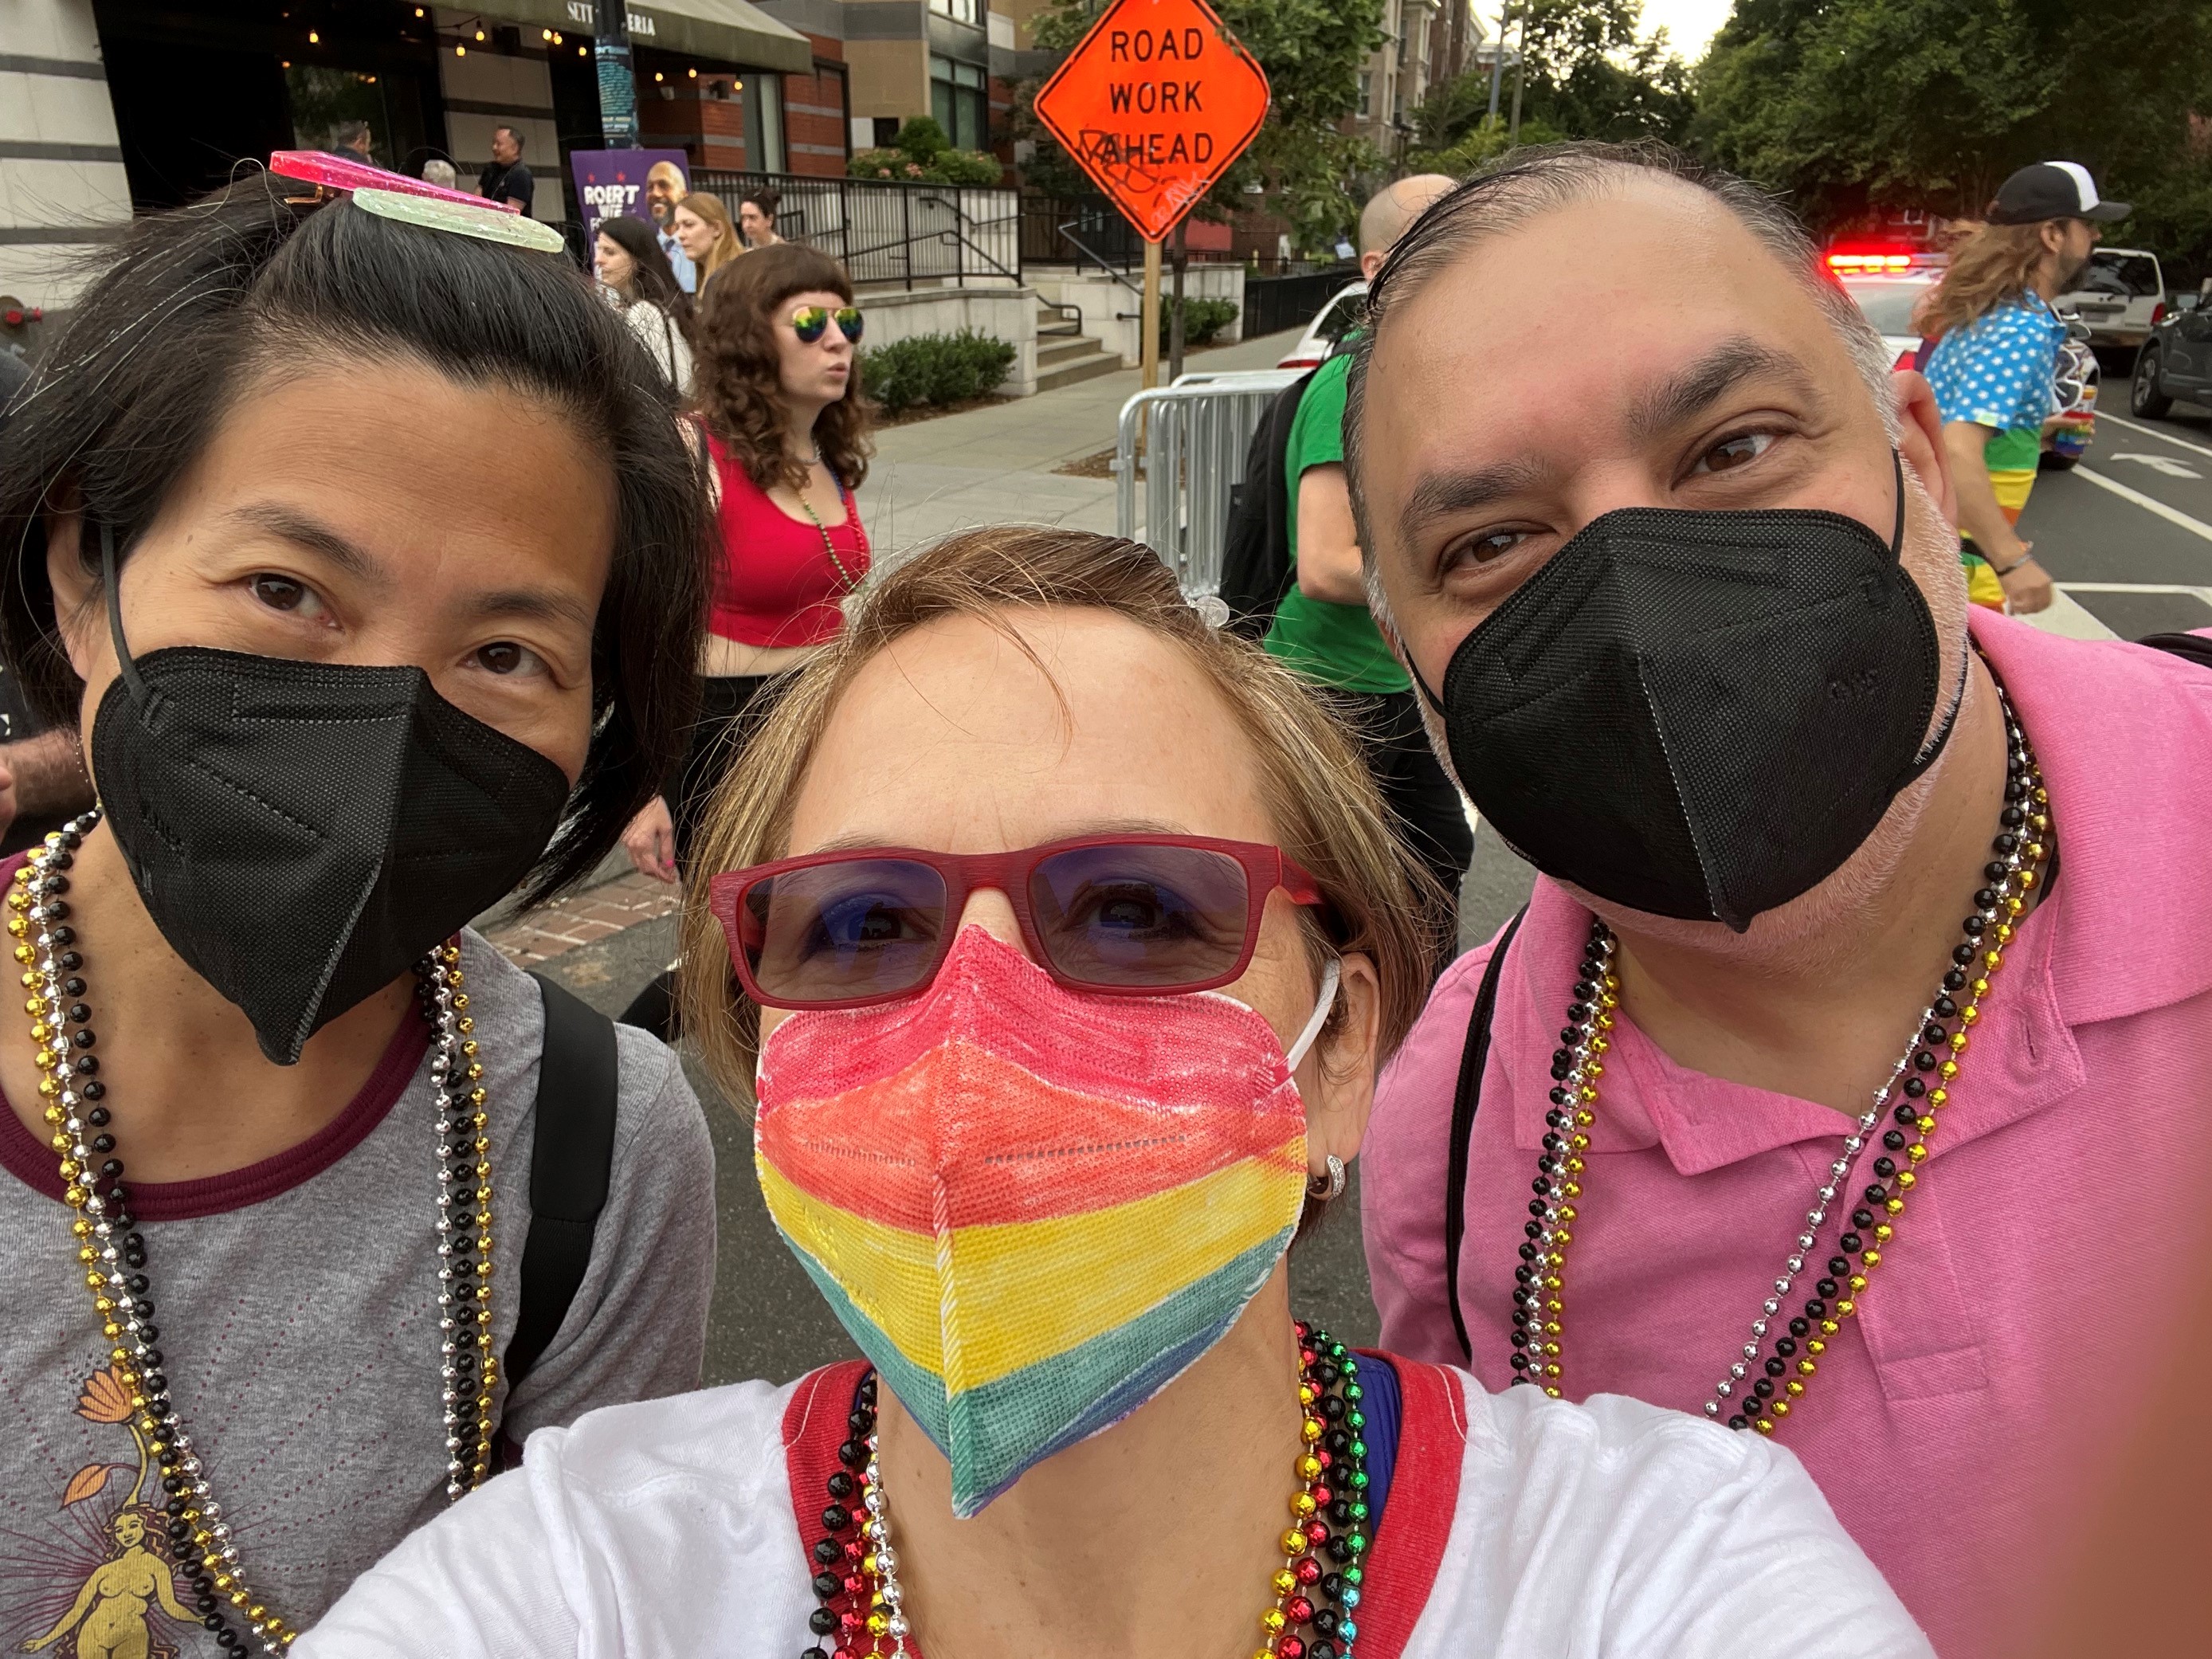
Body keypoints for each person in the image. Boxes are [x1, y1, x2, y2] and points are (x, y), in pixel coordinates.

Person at [296, 527, 1929, 1659]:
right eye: (860, 924)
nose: (974, 1017)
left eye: (1140, 908)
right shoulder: (578, 1580)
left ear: (1342, 1048)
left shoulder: (1659, 1575)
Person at [1343, 141, 2212, 1659]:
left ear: (1921, 458)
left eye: (1734, 447)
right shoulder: (1457, 1119)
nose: (1638, 587)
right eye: (1489, 545)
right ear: (1417, 675)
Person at [0, 173, 720, 1653]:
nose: (386, 723)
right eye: (287, 587)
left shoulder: (602, 1149)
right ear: (87, 570)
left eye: (508, 652)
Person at [614, 244, 870, 1037]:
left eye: (847, 320)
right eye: (809, 322)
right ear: (746, 339)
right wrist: (639, 785)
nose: (838, 341)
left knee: (826, 937)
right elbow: (633, 624)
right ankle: (615, 1070)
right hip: (722, 733)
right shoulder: (695, 454)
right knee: (740, 950)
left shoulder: (825, 456)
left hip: (821, 719)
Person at [1265, 175, 1471, 976]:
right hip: (1329, 692)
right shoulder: (1347, 385)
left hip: (1397, 679)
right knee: (1344, 898)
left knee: (1433, 868)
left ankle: (1419, 1050)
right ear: (1379, 268)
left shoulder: (1432, 382)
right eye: (1442, 240)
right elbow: (1322, 565)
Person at [1915, 162, 2124, 616]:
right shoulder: (2019, 329)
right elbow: (1957, 449)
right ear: (2053, 234)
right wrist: (2012, 561)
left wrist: (2036, 432)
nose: (2096, 238)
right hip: (1965, 566)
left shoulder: (1989, 315)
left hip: (1944, 552)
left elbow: (1951, 420)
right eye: (2087, 226)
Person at [594, 214, 694, 390]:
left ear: (637, 260)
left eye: (609, 252)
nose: (598, 260)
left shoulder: (645, 312)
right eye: (599, 250)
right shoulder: (665, 304)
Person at [669, 190, 739, 292]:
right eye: (677, 227)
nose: (679, 235)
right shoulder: (711, 278)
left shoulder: (739, 277)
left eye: (689, 224)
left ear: (716, 228)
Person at [645, 160, 696, 293]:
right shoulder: (644, 252)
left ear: (684, 195)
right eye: (650, 188)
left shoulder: (700, 249)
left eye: (664, 186)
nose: (655, 193)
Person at [477, 125, 532, 214]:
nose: (494, 148)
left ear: (514, 148)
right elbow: (476, 199)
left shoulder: (521, 174)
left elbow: (510, 213)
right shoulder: (490, 169)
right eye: (494, 143)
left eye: (499, 144)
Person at [737, 185, 783, 249]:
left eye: (752, 218)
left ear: (769, 220)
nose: (747, 225)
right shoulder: (747, 254)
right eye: (743, 218)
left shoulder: (785, 252)